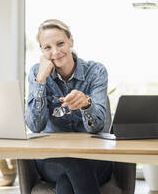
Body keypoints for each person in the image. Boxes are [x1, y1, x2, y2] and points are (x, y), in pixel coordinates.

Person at [25, 19, 112, 194]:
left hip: (93, 157)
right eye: (47, 47)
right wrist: (41, 80)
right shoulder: (37, 72)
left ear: (71, 41)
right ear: (41, 50)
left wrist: (87, 104)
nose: (55, 52)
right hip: (52, 160)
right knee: (74, 165)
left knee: (68, 180)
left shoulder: (95, 72)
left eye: (60, 43)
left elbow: (98, 127)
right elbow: (35, 126)